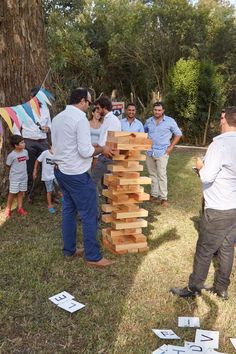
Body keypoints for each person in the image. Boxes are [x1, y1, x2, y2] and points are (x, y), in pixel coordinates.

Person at [170, 106, 236, 300]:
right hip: (234, 206)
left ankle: (194, 288)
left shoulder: (219, 144)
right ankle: (221, 288)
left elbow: (206, 177)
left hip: (217, 208)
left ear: (224, 121)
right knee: (226, 247)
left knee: (204, 250)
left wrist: (199, 166)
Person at [51, 87, 115, 268]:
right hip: (76, 174)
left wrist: (91, 145)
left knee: (69, 210)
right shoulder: (79, 119)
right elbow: (86, 151)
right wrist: (102, 149)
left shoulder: (57, 118)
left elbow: (63, 144)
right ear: (81, 101)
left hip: (60, 171)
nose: (89, 105)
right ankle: (93, 257)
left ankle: (69, 250)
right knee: (90, 214)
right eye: (88, 102)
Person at [13, 86, 51, 202]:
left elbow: (50, 125)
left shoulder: (45, 109)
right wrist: (20, 143)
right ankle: (29, 193)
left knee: (48, 166)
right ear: (31, 97)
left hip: (43, 142)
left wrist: (47, 129)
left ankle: (49, 192)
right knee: (28, 168)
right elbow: (16, 128)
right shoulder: (23, 109)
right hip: (28, 142)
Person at [144, 102, 182, 207]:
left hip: (162, 152)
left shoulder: (170, 121)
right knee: (152, 174)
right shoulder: (148, 121)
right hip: (150, 151)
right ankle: (154, 194)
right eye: (155, 110)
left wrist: (171, 147)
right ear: (153, 110)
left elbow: (178, 134)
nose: (157, 112)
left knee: (161, 174)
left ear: (163, 110)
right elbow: (144, 132)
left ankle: (163, 197)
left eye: (159, 110)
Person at [91, 95, 121, 190]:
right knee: (106, 183)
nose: (98, 110)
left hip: (107, 155)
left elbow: (110, 140)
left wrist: (99, 147)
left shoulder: (112, 120)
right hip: (103, 153)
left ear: (104, 108)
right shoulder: (107, 119)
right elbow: (104, 138)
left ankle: (92, 204)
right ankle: (107, 203)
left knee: (93, 181)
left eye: (99, 108)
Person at [33, 143, 61, 214]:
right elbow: (37, 161)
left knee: (59, 187)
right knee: (49, 191)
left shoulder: (57, 154)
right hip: (47, 176)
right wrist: (35, 170)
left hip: (55, 175)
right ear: (51, 146)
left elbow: (57, 163)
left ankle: (60, 198)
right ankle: (50, 205)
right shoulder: (45, 153)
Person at [5, 135, 28, 219]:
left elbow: (25, 161)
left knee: (21, 192)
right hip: (15, 178)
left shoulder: (25, 152)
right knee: (12, 193)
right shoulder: (11, 155)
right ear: (16, 145)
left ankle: (20, 208)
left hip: (24, 177)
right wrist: (14, 173)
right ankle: (8, 209)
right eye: (22, 143)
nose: (24, 144)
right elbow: (8, 165)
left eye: (23, 142)